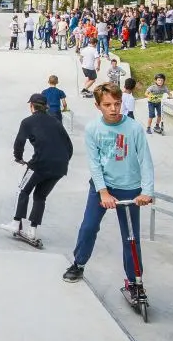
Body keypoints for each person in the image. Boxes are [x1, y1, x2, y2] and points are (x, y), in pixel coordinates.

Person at [63, 83, 154, 296]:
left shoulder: (134, 128)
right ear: (98, 106)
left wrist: (147, 191)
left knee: (131, 238)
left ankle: (134, 282)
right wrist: (103, 191)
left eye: (117, 103)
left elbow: (146, 161)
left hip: (130, 188)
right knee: (88, 227)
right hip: (101, 188)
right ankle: (78, 263)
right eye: (107, 105)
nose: (113, 109)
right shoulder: (93, 129)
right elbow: (94, 163)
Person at [2, 94, 74, 242]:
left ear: (32, 106)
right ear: (45, 106)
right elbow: (69, 145)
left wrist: (19, 157)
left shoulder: (27, 122)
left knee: (23, 190)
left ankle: (16, 223)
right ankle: (32, 231)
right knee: (40, 196)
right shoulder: (55, 121)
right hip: (60, 167)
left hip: (40, 164)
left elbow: (19, 142)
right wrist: (62, 161)